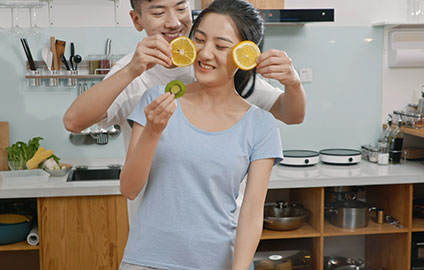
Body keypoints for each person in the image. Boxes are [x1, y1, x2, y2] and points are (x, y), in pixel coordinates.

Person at [63, 0, 304, 225]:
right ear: (137, 20)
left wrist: (293, 83)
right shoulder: (135, 72)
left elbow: (292, 114)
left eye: (181, 8)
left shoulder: (214, 62)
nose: (174, 22)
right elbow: (74, 121)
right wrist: (132, 70)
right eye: (159, 12)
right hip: (154, 234)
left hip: (222, 232)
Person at [118, 0, 282, 269]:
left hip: (219, 261)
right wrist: (153, 131)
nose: (205, 54)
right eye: (199, 40)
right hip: (147, 260)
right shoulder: (158, 99)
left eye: (220, 46)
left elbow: (252, 214)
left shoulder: (260, 124)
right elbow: (129, 188)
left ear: (246, 54)